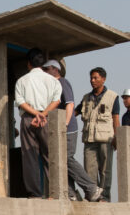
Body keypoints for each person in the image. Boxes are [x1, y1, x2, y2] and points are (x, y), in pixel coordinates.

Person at [42, 59, 102, 202]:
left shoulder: (62, 82)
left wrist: (66, 123)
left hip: (67, 129)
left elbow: (70, 104)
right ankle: (70, 193)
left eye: (47, 69)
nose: (45, 72)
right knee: (60, 160)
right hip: (58, 128)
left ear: (55, 69)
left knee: (66, 158)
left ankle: (91, 188)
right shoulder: (52, 85)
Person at [14, 48, 62, 198]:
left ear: (29, 64)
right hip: (47, 118)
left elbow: (20, 102)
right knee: (50, 155)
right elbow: (57, 100)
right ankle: (55, 192)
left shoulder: (22, 80)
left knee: (30, 156)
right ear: (42, 64)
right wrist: (43, 114)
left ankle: (35, 194)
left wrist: (35, 114)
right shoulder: (52, 80)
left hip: (29, 119)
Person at [76, 67, 120, 202]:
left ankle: (104, 197)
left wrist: (117, 137)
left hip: (106, 139)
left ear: (103, 79)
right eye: (91, 78)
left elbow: (116, 118)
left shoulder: (113, 96)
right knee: (89, 170)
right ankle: (92, 196)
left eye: (95, 78)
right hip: (89, 140)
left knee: (105, 170)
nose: (92, 81)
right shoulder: (86, 98)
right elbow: (74, 112)